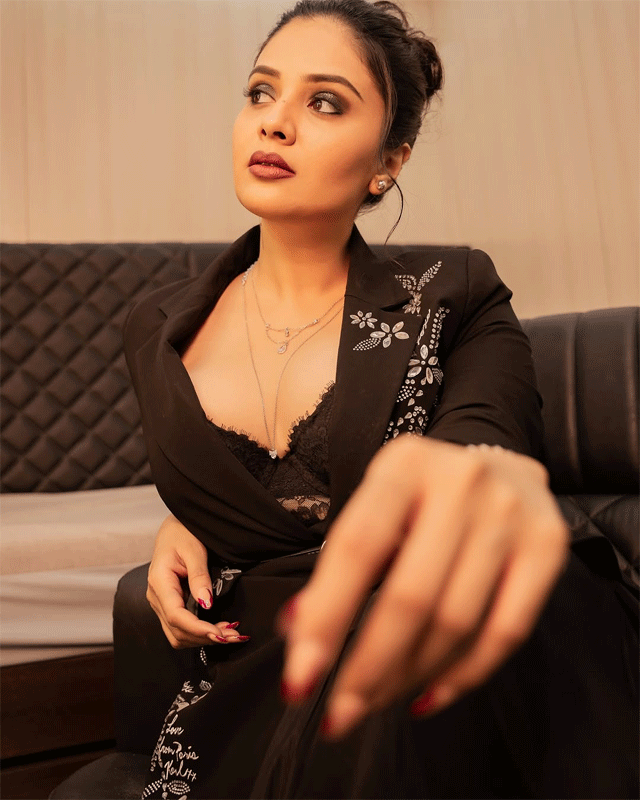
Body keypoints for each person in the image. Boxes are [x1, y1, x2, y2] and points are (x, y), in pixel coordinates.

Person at [123, 1, 638, 797]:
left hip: (462, 641)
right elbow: (236, 491)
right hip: (265, 663)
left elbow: (486, 445)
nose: (276, 122)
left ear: (388, 161)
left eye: (325, 102)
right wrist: (189, 516)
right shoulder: (154, 327)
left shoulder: (454, 288)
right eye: (261, 92)